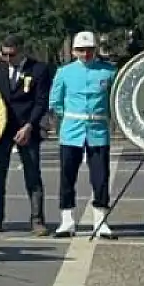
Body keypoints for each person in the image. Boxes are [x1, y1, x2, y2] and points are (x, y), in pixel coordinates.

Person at [0, 33, 53, 235]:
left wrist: (30, 126)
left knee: (32, 175)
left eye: (11, 54)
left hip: (27, 128)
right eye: (4, 54)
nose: (7, 59)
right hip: (3, 129)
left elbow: (41, 101)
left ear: (21, 51)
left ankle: (37, 220)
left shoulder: (38, 69)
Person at [48, 31, 116, 238]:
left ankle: (100, 220)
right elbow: (55, 101)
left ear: (95, 50)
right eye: (81, 50)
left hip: (98, 130)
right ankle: (67, 220)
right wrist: (65, 118)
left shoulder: (109, 72)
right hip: (71, 131)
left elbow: (115, 99)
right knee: (67, 176)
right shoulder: (64, 72)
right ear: (74, 51)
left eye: (89, 50)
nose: (85, 54)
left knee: (101, 177)